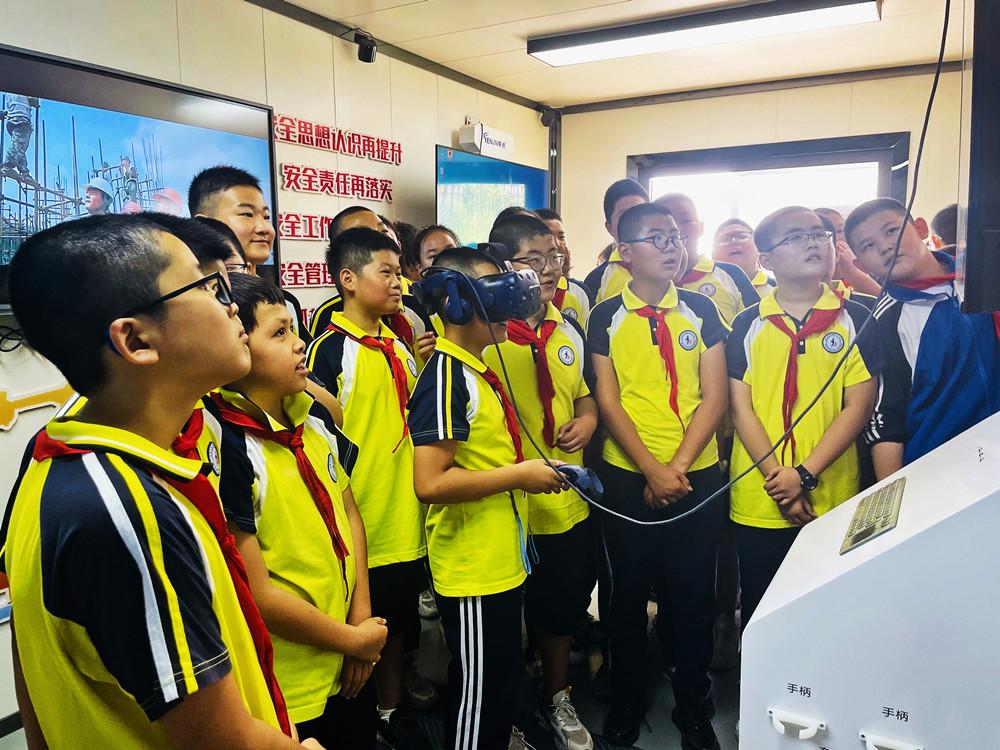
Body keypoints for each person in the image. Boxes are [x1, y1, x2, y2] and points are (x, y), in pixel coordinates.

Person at [2, 215, 320, 748]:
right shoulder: (127, 512)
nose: (232, 305)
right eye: (208, 286)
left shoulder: (66, 466)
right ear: (136, 339)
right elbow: (220, 740)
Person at [214, 274, 385, 748]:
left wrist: (361, 620)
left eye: (294, 328)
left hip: (350, 649)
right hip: (292, 681)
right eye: (280, 333)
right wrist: (350, 640)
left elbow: (350, 515)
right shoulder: (229, 447)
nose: (299, 344)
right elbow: (255, 591)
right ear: (237, 346)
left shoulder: (312, 419)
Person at [407, 247, 566, 750]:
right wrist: (519, 475)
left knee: (498, 680)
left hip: (497, 559)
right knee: (479, 694)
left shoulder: (473, 371)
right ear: (456, 305)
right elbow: (430, 483)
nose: (509, 306)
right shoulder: (445, 378)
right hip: (473, 569)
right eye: (495, 294)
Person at [588, 202, 728, 750]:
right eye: (658, 238)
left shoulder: (701, 309)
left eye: (676, 237)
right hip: (628, 478)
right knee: (625, 596)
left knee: (692, 595)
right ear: (625, 252)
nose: (673, 247)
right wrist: (650, 469)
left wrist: (676, 469)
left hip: (697, 476)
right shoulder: (605, 316)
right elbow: (608, 400)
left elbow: (714, 396)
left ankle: (693, 701)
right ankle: (627, 699)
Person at [305, 227, 438, 746]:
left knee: (397, 626)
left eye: (399, 272)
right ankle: (360, 720)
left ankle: (390, 711)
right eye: (386, 272)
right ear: (348, 279)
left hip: (404, 517)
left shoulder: (397, 344)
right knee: (359, 627)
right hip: (362, 520)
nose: (398, 282)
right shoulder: (328, 351)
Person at [727, 206, 880, 634]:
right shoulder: (747, 324)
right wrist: (780, 480)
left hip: (833, 493)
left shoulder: (857, 318)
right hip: (761, 495)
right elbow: (741, 409)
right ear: (766, 259)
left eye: (820, 234)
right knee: (763, 611)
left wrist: (804, 475)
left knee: (831, 613)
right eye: (796, 237)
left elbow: (858, 406)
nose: (813, 243)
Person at [485, 215, 597, 750]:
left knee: (560, 610)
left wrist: (588, 420)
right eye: (532, 260)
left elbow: (584, 397)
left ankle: (557, 697)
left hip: (563, 503)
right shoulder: (482, 336)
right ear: (501, 264)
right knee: (501, 624)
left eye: (553, 256)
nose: (549, 269)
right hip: (501, 507)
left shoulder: (568, 328)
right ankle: (501, 714)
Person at [845, 197, 1000, 477]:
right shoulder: (884, 321)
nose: (885, 246)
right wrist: (897, 493)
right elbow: (886, 419)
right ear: (860, 264)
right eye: (868, 246)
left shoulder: (983, 277)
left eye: (891, 231)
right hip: (941, 467)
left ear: (920, 228)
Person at [187, 166, 308, 342]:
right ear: (205, 223)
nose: (265, 228)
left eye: (266, 216)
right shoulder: (197, 310)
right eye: (247, 214)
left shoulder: (285, 302)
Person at [308, 207, 435, 368]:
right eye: (363, 235)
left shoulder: (413, 307)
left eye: (383, 231)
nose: (378, 240)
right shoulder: (327, 324)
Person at [656, 194, 759, 325]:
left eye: (685, 220)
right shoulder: (645, 280)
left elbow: (759, 325)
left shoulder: (731, 274)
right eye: (666, 222)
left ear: (701, 228)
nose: (677, 229)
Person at [589, 179, 649, 302]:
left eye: (640, 212)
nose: (633, 221)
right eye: (624, 215)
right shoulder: (596, 280)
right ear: (609, 227)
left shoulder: (667, 268)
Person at [535, 207, 594, 327]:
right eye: (549, 237)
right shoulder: (531, 290)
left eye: (561, 237)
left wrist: (564, 272)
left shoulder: (580, 292)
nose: (557, 244)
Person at [815, 207, 882, 297]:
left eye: (840, 231)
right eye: (825, 235)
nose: (836, 238)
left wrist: (852, 270)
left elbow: (886, 301)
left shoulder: (867, 264)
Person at [712, 219, 772, 296]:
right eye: (724, 239)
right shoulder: (701, 288)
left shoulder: (778, 290)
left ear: (758, 248)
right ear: (712, 254)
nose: (734, 242)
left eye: (742, 236)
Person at [0, 94, 39, 176]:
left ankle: (24, 171)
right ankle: (7, 166)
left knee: (19, 147)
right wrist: (36, 101)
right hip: (22, 119)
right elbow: (33, 100)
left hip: (12, 119)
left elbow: (14, 104)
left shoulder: (10, 93)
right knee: (20, 144)